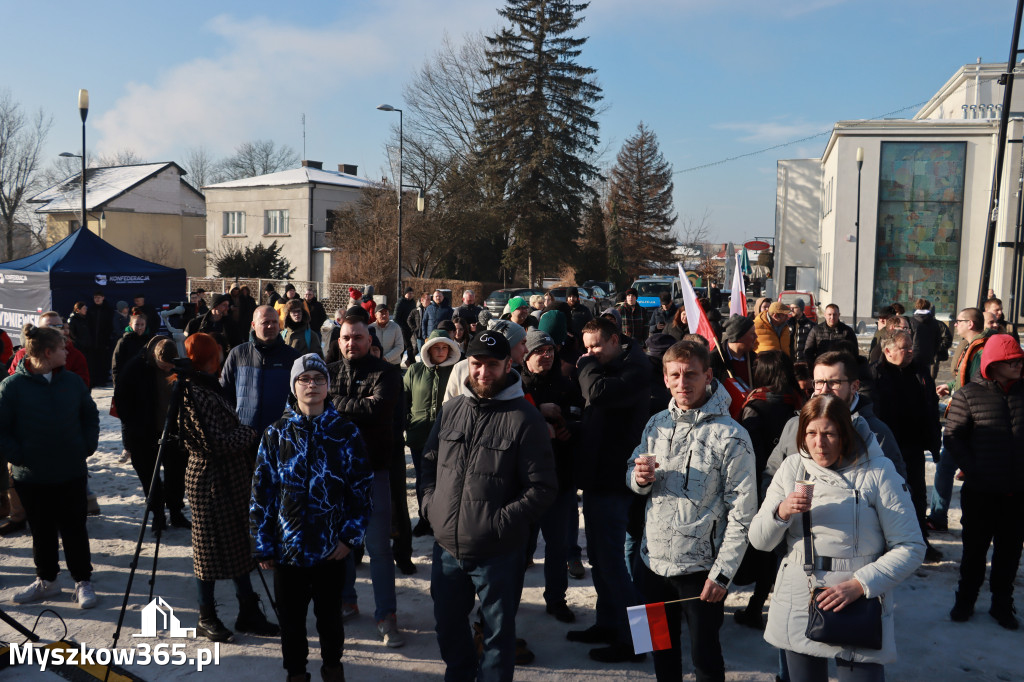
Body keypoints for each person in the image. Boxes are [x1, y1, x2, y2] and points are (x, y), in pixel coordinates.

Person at [749, 394, 924, 682]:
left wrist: (860, 584)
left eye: (829, 433)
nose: (819, 443)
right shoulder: (793, 468)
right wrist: (781, 512)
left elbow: (911, 547)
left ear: (845, 433)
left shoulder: (878, 472)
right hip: (799, 598)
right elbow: (759, 541)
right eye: (811, 433)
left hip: (857, 603)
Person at [421, 330, 557, 681]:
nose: (483, 373)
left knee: (498, 637)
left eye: (492, 366)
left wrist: (498, 523)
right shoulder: (451, 410)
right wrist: (430, 506)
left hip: (498, 552)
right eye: (477, 364)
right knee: (449, 628)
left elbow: (542, 488)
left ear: (508, 365)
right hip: (447, 549)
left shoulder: (525, 419)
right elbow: (429, 462)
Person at [628, 339, 757, 681]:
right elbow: (632, 471)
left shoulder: (733, 436)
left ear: (708, 376)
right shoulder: (656, 423)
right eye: (675, 375)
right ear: (666, 378)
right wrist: (637, 478)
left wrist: (722, 574)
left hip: (700, 572)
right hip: (649, 564)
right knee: (654, 645)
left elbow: (743, 513)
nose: (683, 383)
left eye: (691, 374)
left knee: (705, 658)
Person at [251, 353, 371, 681]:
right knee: (290, 622)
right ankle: (296, 673)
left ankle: (333, 668)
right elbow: (261, 492)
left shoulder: (344, 432)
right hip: (286, 550)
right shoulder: (275, 434)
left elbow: (361, 490)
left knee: (330, 619)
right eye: (305, 379)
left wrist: (349, 537)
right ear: (294, 385)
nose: (312, 385)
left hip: (330, 549)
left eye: (319, 379)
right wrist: (262, 543)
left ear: (328, 386)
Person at [176, 333, 279, 642]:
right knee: (208, 551)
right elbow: (215, 442)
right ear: (208, 357)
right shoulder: (193, 393)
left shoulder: (210, 387)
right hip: (209, 479)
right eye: (216, 351)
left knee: (239, 546)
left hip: (232, 476)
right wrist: (249, 433)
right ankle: (206, 616)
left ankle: (248, 610)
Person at [568, 317, 650, 663]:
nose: (589, 354)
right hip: (601, 475)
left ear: (615, 340)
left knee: (619, 566)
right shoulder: (613, 365)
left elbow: (598, 393)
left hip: (617, 480)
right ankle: (609, 623)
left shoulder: (636, 368)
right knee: (601, 560)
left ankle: (641, 642)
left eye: (595, 346)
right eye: (585, 348)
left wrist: (585, 365)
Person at [2, 324, 100, 609]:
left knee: (74, 529)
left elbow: (89, 414)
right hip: (31, 476)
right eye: (61, 348)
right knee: (42, 531)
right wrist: (19, 456)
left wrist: (87, 445)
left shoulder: (71, 382)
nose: (66, 352)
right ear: (47, 352)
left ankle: (83, 581)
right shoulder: (12, 387)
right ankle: (47, 581)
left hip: (71, 472)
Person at [327, 314, 405, 647]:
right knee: (340, 543)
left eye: (357, 337)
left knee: (378, 548)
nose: (351, 343)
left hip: (374, 472)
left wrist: (335, 404)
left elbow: (378, 410)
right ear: (338, 340)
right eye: (345, 337)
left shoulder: (387, 373)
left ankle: (386, 615)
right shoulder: (328, 372)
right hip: (335, 473)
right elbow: (315, 408)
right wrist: (354, 405)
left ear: (369, 340)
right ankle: (347, 601)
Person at [944, 334, 1024, 629]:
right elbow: (953, 437)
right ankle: (965, 600)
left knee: (1010, 552)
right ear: (994, 363)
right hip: (981, 490)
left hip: (1017, 490)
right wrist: (973, 468)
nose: (1017, 364)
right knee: (974, 552)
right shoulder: (968, 395)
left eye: (1019, 359)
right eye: (1011, 360)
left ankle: (1002, 604)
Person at [735, 350, 805, 629]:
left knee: (761, 546)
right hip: (792, 485)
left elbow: (747, 452)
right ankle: (768, 604)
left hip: (762, 482)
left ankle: (754, 608)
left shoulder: (755, 405)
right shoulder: (797, 404)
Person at [764, 351, 908, 485]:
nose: (825, 390)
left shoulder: (876, 433)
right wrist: (780, 508)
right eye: (819, 382)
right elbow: (771, 476)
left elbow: (897, 489)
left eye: (834, 383)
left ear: (854, 386)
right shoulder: (794, 425)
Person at [521, 329, 582, 624]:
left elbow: (581, 419)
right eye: (538, 351)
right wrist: (537, 413)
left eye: (549, 350)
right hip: (523, 483)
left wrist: (567, 425)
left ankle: (556, 599)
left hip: (559, 478)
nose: (545, 356)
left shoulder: (567, 385)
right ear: (526, 356)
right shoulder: (517, 387)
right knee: (518, 546)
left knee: (558, 546)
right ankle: (508, 599)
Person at [867, 328, 941, 562]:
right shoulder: (875, 374)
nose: (910, 352)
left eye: (911, 347)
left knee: (917, 494)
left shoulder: (919, 372)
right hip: (884, 447)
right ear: (887, 350)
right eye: (904, 348)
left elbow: (931, 405)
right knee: (886, 496)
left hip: (913, 445)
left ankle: (920, 541)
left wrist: (933, 439)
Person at [114, 337, 189, 533]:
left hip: (173, 432)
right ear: (154, 357)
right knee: (150, 478)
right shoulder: (135, 368)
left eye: (170, 366)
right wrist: (134, 430)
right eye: (163, 366)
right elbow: (122, 403)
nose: (167, 370)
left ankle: (176, 512)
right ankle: (157, 515)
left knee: (176, 476)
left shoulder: (178, 366)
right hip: (144, 434)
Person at [929, 307, 992, 531]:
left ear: (971, 324)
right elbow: (966, 380)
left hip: (968, 420)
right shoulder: (971, 346)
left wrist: (958, 394)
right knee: (952, 468)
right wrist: (952, 387)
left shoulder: (980, 349)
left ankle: (938, 517)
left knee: (947, 467)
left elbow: (977, 385)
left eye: (959, 321)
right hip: (968, 416)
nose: (955, 325)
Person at [403, 330, 461, 538]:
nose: (440, 351)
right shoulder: (415, 370)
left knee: (446, 481)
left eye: (444, 347)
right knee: (423, 479)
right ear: (428, 348)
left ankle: (443, 520)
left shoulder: (456, 371)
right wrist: (408, 423)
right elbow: (404, 400)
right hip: (419, 435)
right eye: (436, 347)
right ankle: (424, 519)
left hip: (448, 438)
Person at [221, 305, 302, 435]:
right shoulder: (238, 354)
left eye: (274, 322)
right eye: (265, 322)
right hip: (243, 436)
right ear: (253, 325)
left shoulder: (293, 358)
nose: (271, 326)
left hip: (280, 435)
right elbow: (225, 395)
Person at [908, 298, 952, 380]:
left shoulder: (910, 322)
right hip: (930, 357)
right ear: (929, 307)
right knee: (928, 380)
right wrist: (936, 350)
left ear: (916, 307)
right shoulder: (936, 323)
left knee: (913, 380)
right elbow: (944, 339)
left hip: (913, 356)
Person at [712, 314, 758, 389]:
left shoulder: (755, 359)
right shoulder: (715, 360)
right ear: (738, 337)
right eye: (752, 334)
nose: (756, 336)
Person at [111, 308, 153, 387]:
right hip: (128, 383)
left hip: (146, 384)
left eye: (142, 325)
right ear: (130, 324)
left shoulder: (150, 341)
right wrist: (117, 386)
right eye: (137, 325)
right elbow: (116, 366)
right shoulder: (124, 341)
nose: (140, 328)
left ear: (146, 324)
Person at [395, 287, 417, 366]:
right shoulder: (401, 302)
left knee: (403, 347)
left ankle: (397, 363)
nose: (411, 295)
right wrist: (402, 327)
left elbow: (414, 315)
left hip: (410, 328)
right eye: (409, 293)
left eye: (412, 293)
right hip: (402, 328)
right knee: (409, 346)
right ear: (405, 294)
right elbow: (396, 317)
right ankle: (412, 363)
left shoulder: (413, 303)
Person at [407, 292, 430, 358]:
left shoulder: (432, 309)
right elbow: (409, 320)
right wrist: (414, 328)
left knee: (428, 354)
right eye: (427, 299)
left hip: (429, 335)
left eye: (430, 299)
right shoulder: (416, 310)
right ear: (422, 300)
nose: (429, 301)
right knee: (422, 354)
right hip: (419, 335)